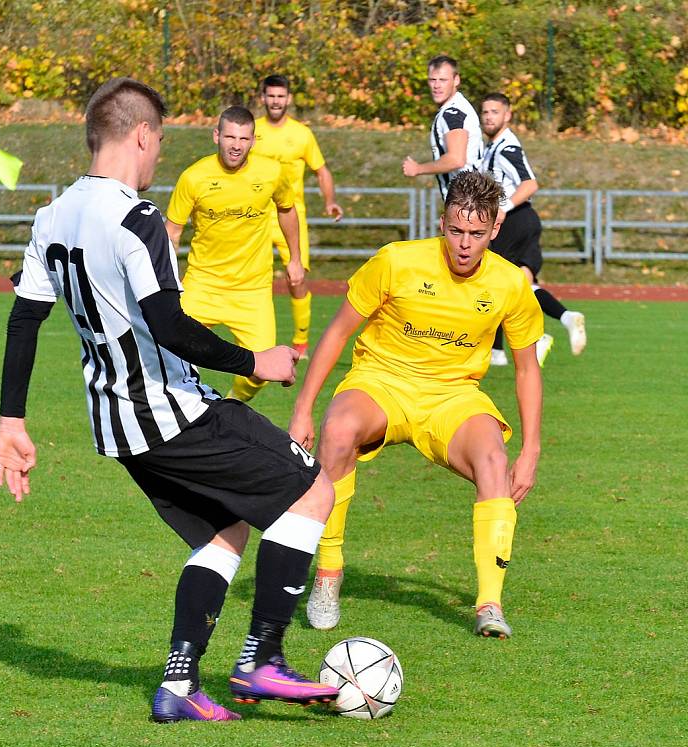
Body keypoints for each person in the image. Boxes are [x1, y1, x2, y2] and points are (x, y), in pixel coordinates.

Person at [0, 77, 338, 724]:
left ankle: (179, 686)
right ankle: (262, 657)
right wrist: (254, 360)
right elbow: (169, 324)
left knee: (223, 532)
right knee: (312, 491)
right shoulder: (137, 216)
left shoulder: (51, 215)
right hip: (170, 410)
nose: (157, 163)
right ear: (144, 136)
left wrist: (11, 419)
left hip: (118, 428)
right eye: (158, 146)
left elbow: (23, 321)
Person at [290, 170, 544, 639]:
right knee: (338, 431)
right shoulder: (396, 261)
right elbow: (338, 332)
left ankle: (490, 602)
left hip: (452, 395)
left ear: (494, 230)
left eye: (475, 233)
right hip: (381, 380)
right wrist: (304, 408)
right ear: (441, 222)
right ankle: (327, 573)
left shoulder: (510, 285)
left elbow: (528, 369)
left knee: (494, 457)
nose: (464, 244)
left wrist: (531, 450)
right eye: (455, 230)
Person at [165, 105, 303, 402]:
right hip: (203, 285)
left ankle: (230, 406)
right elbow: (171, 232)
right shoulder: (194, 177)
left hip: (252, 291)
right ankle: (178, 412)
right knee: (165, 352)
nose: (236, 145)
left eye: (243, 139)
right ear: (216, 136)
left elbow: (287, 210)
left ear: (253, 141)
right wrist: (167, 279)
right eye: (229, 137)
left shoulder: (271, 172)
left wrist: (295, 258)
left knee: (263, 370)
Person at [480, 92, 587, 366]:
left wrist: (502, 208)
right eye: (485, 112)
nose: (489, 116)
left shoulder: (506, 147)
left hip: (514, 221)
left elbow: (530, 184)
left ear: (508, 115)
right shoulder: (493, 146)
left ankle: (521, 342)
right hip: (522, 219)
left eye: (495, 111)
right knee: (520, 286)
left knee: (497, 283)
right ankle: (565, 318)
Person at [255, 74, 344, 359]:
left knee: (296, 279)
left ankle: (301, 342)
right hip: (255, 217)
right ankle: (257, 342)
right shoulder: (252, 131)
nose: (276, 101)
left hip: (290, 217)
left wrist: (329, 201)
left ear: (288, 99)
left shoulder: (302, 134)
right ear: (263, 98)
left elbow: (322, 170)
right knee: (252, 279)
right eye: (271, 96)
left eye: (280, 96)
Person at [402, 55, 483, 200]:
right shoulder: (457, 107)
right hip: (470, 199)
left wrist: (418, 169)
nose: (437, 85)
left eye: (443, 80)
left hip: (466, 202)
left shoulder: (452, 113)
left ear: (456, 80)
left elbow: (456, 159)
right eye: (432, 80)